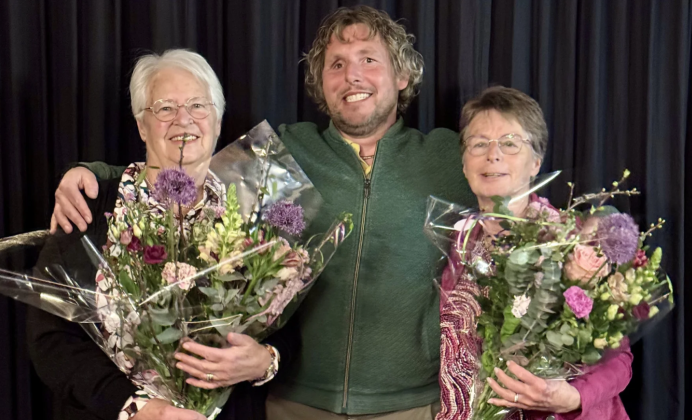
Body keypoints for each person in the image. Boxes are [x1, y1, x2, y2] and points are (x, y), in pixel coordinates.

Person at [47, 6, 476, 419]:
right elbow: (178, 169)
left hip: (412, 405)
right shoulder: (280, 153)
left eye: (369, 59)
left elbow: (515, 195)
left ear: (402, 75)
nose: (353, 76)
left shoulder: (450, 158)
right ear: (321, 83)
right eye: (336, 64)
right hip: (295, 402)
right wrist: (91, 174)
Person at [27, 49, 288, 420]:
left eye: (199, 105)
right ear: (141, 125)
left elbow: (290, 322)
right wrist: (135, 407)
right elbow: (50, 339)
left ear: (217, 119)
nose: (184, 120)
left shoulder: (254, 209)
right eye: (165, 108)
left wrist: (266, 361)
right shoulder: (92, 203)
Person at [437, 86, 633, 420]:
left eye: (510, 143)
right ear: (465, 162)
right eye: (479, 144)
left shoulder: (573, 241)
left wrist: (573, 396)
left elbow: (619, 360)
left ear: (536, 162)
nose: (493, 155)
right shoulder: (459, 241)